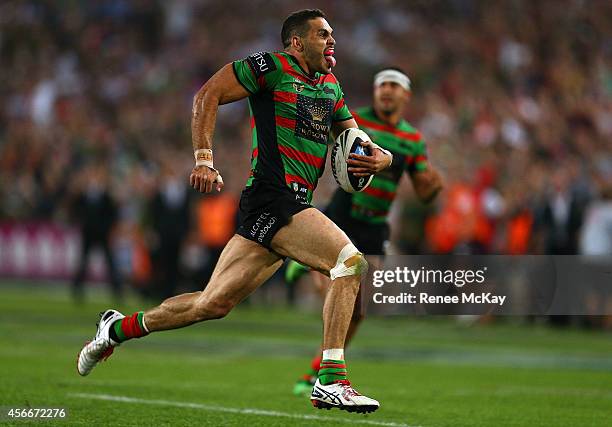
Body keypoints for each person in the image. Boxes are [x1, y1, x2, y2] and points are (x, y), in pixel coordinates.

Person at [77, 9, 393, 414]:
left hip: (286, 206)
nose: (331, 41)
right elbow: (208, 94)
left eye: (332, 35)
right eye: (322, 35)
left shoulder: (330, 86)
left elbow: (358, 140)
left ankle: (116, 328)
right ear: (296, 43)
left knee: (211, 304)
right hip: (274, 197)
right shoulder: (270, 67)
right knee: (349, 263)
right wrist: (204, 158)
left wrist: (380, 160)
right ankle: (331, 380)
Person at [285, 67, 443, 396]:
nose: (387, 90)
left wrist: (433, 184)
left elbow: (425, 189)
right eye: (382, 84)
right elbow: (318, 128)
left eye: (394, 85)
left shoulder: (413, 140)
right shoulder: (356, 121)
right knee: (335, 288)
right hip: (344, 213)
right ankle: (307, 262)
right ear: (375, 91)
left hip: (375, 224)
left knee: (358, 310)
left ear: (405, 95)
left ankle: (317, 368)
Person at [71, 164, 122, 303]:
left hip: (102, 233)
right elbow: (77, 210)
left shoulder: (106, 195)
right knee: (83, 262)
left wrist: (108, 227)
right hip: (88, 233)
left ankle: (117, 291)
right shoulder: (84, 194)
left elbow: (112, 214)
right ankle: (77, 290)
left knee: (110, 263)